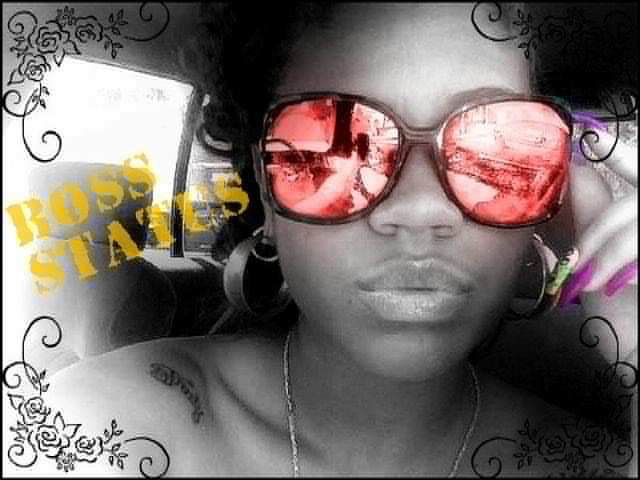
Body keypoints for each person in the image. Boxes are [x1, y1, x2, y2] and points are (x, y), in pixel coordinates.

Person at [14, 3, 637, 477]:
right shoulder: (104, 427)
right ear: (266, 195)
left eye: (496, 147)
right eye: (334, 144)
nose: (419, 212)